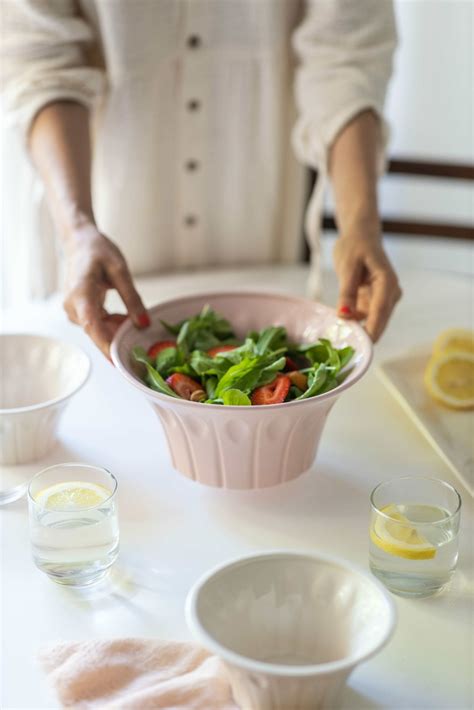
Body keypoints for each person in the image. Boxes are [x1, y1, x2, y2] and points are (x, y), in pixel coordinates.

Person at [1, 0, 402, 358]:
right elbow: (40, 63)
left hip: (257, 206)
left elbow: (346, 57)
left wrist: (360, 224)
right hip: (112, 208)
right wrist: (78, 229)